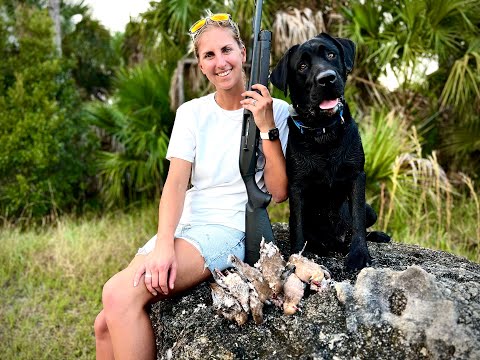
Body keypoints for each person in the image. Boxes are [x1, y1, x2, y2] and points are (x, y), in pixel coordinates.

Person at [94, 12, 289, 360]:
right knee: (104, 323)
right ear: (199, 65)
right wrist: (164, 245)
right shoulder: (191, 113)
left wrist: (266, 126)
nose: (220, 62)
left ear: (243, 52)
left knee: (118, 295)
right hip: (187, 223)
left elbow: (278, 192)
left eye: (227, 50)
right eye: (209, 55)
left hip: (228, 226)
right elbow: (175, 184)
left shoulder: (279, 112)